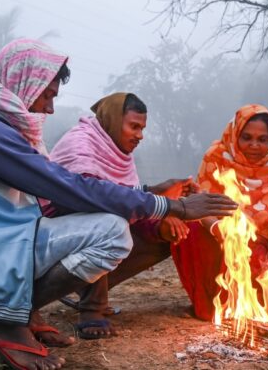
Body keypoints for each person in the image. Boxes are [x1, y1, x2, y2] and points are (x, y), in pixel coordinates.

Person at [0, 39, 236, 370]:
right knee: (111, 230)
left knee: (121, 219)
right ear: (23, 84)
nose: (49, 109)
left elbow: (76, 189)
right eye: (47, 95)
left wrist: (151, 194)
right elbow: (70, 188)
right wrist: (173, 207)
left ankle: (16, 313)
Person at [40, 92, 199, 341]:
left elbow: (125, 198)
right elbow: (96, 198)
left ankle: (83, 283)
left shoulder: (117, 151)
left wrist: (161, 221)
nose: (140, 135)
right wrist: (160, 201)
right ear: (113, 120)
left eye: (142, 128)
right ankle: (91, 308)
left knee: (169, 231)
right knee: (105, 216)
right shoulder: (80, 143)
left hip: (98, 226)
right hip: (54, 233)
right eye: (134, 126)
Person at [171, 104, 268, 321]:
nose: (254, 145)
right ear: (235, 134)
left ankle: (264, 299)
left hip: (267, 244)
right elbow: (200, 205)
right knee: (189, 228)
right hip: (218, 234)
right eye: (247, 137)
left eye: (262, 139)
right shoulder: (216, 158)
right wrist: (218, 229)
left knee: (260, 271)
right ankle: (209, 305)